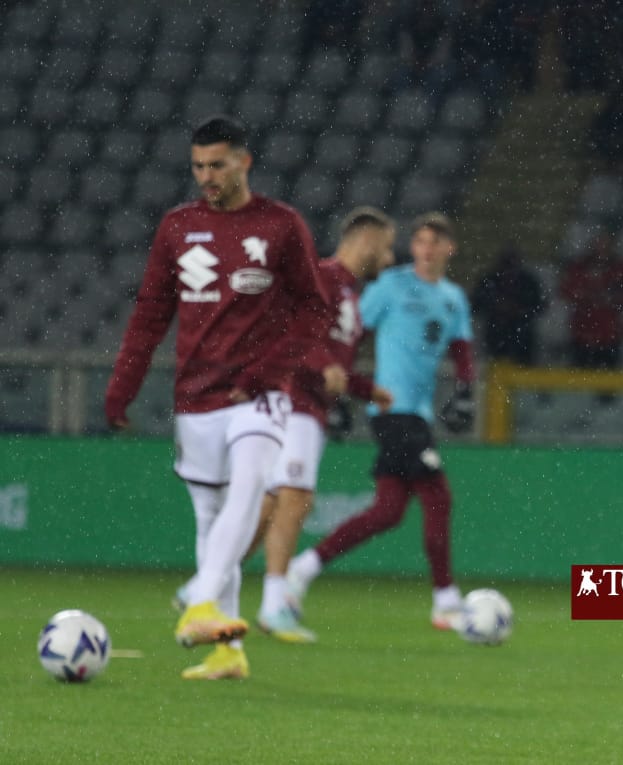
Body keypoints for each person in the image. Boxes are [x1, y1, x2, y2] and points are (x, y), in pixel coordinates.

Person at [105, 115, 345, 680]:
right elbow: (151, 313)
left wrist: (271, 369)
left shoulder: (281, 225)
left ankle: (200, 603)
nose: (207, 176)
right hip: (197, 395)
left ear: (244, 162)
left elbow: (315, 310)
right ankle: (228, 651)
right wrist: (122, 389)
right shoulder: (177, 227)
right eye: (198, 166)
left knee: (249, 488)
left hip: (260, 396)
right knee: (211, 521)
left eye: (217, 165)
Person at [286, 212, 477, 632]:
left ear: (450, 249)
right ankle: (445, 599)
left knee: (388, 511)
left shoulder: (453, 298)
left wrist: (466, 390)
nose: (425, 249)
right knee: (438, 497)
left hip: (417, 413)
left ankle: (303, 568)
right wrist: (341, 392)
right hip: (392, 411)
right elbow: (352, 333)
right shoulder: (390, 286)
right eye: (420, 241)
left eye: (435, 242)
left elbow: (462, 349)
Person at [250, 207, 397, 643]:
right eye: (386, 247)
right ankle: (274, 605)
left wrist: (367, 390)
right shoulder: (323, 276)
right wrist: (320, 364)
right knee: (295, 498)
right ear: (366, 240)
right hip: (294, 402)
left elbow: (335, 364)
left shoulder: (348, 293)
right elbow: (289, 326)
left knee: (271, 506)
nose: (389, 258)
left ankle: (209, 585)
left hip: (308, 406)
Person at [558, 232, 623, 369]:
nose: (601, 248)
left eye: (605, 244)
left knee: (608, 374)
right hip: (583, 331)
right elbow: (566, 290)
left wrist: (615, 298)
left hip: (609, 332)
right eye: (598, 244)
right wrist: (585, 296)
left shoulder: (619, 269)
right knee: (580, 373)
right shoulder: (581, 267)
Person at [471, 244, 545, 365]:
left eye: (512, 263)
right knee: (496, 366)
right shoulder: (489, 281)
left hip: (522, 334)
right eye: (507, 263)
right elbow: (476, 305)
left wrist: (519, 310)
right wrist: (496, 307)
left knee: (523, 368)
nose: (509, 268)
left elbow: (540, 306)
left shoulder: (529, 282)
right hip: (496, 333)